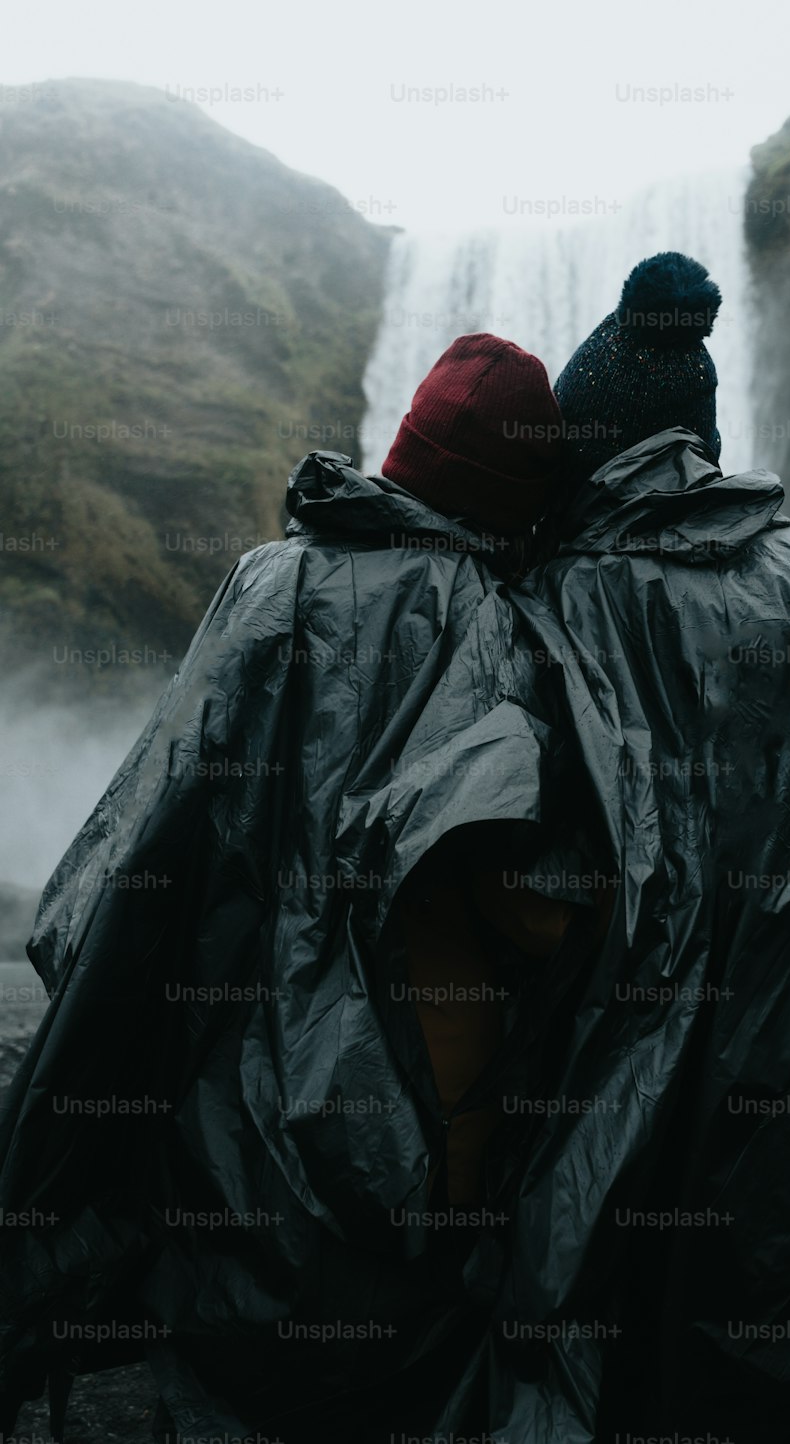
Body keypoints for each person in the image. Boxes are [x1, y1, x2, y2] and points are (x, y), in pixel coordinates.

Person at [354, 254, 790, 1444]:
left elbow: (490, 851)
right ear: (702, 437)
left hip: (605, 1072)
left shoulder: (534, 603)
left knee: (601, 1356)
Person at [0, 334, 571, 1444]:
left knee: (222, 1376)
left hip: (223, 1106)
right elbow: (529, 910)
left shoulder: (266, 581)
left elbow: (142, 843)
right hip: (405, 1131)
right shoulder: (499, 629)